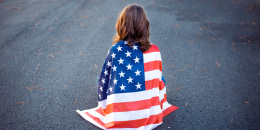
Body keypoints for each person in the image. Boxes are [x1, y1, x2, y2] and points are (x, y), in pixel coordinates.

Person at [76, 4, 178, 129]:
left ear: (121, 25)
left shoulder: (116, 50)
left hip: (121, 102)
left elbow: (106, 77)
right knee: (160, 78)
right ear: (144, 25)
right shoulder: (155, 50)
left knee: (100, 78)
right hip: (147, 107)